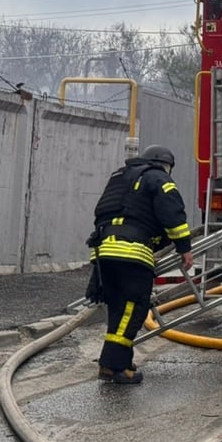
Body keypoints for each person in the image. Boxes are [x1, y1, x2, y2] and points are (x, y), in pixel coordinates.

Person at [85, 144, 193, 384]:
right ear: (164, 165)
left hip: (104, 251)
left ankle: (117, 362)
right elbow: (171, 213)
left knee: (118, 309)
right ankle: (115, 367)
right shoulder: (159, 179)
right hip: (131, 252)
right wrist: (184, 247)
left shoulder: (121, 178)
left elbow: (112, 212)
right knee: (133, 309)